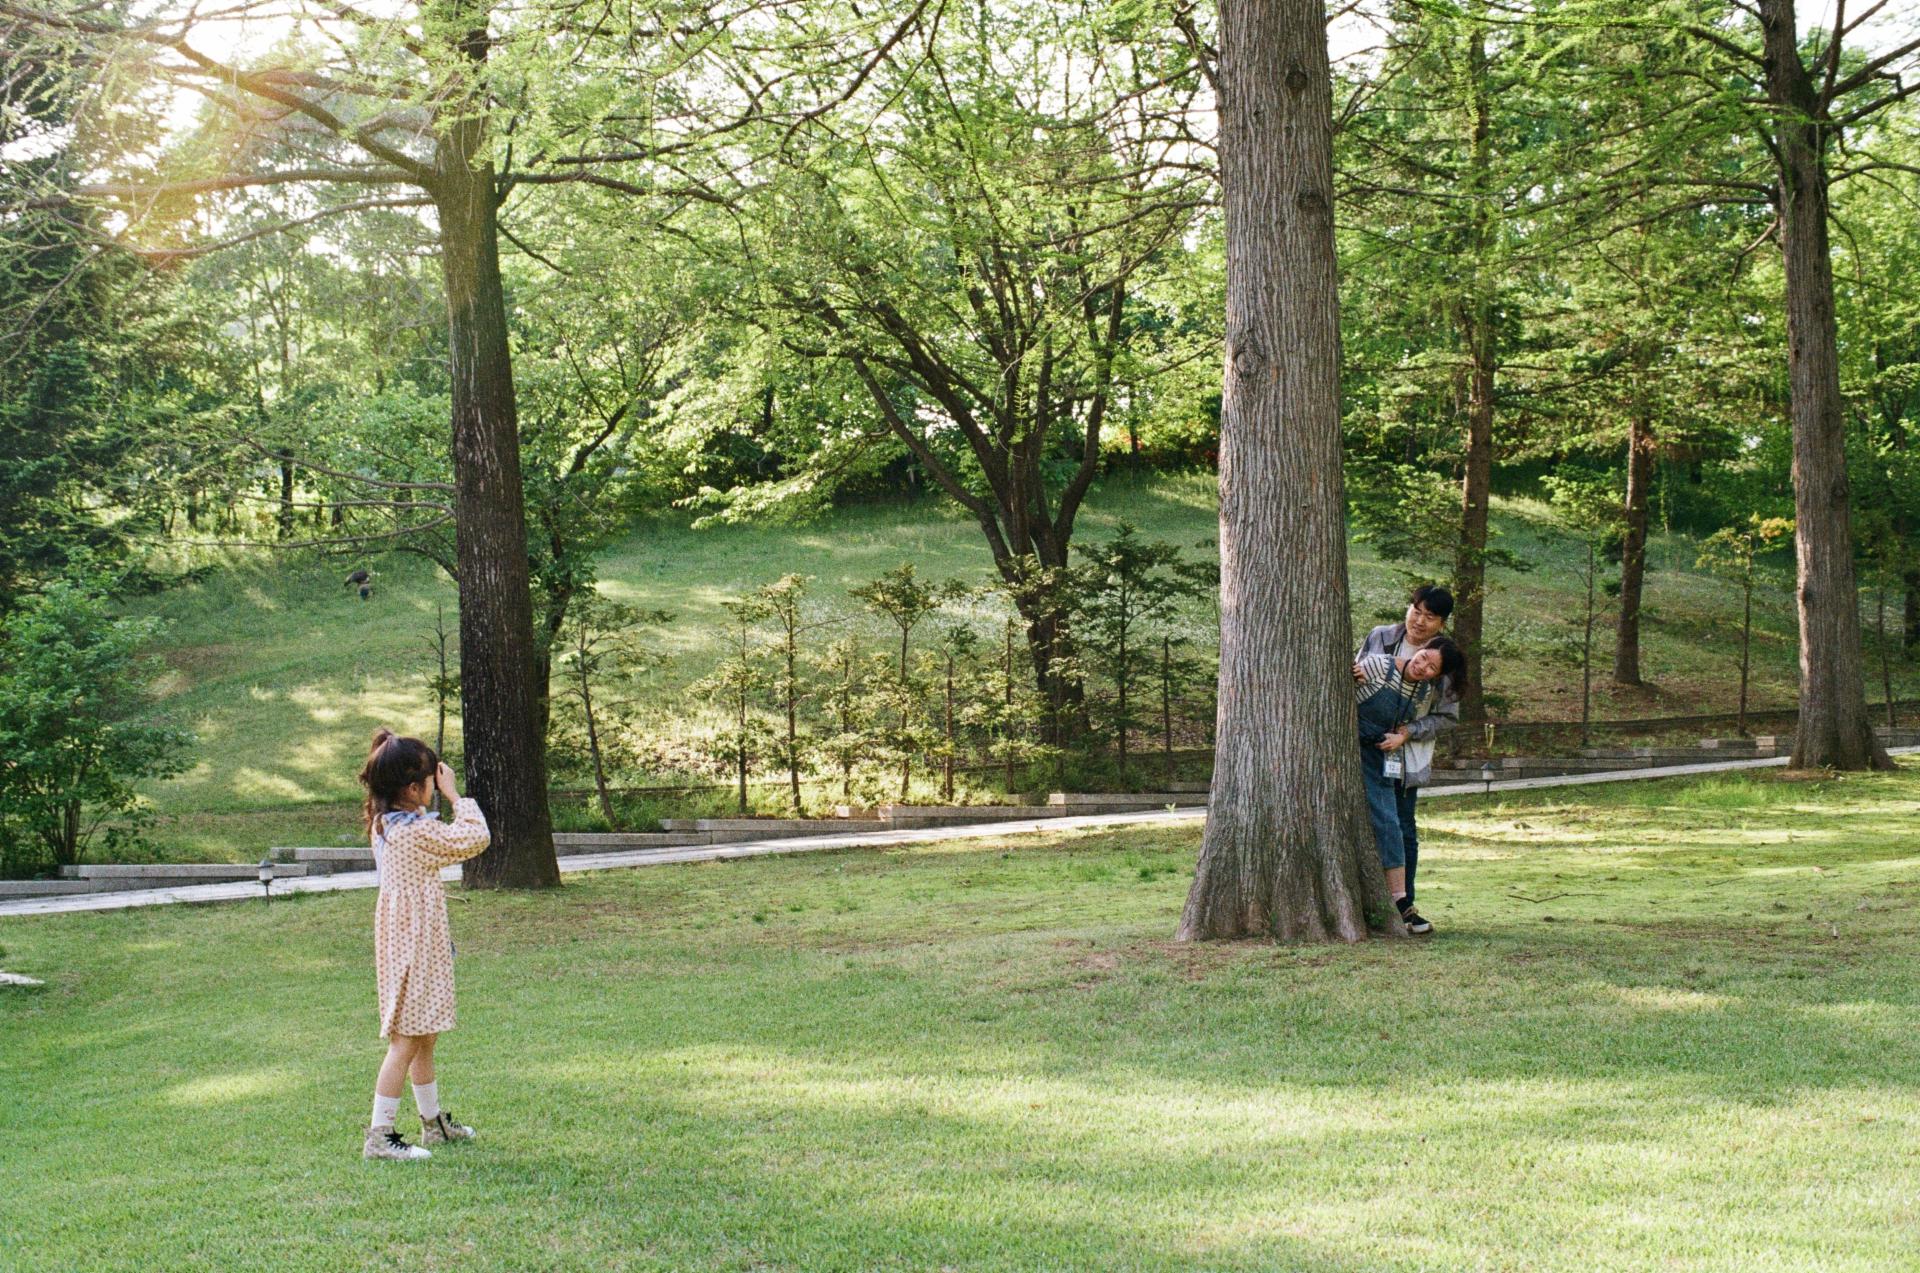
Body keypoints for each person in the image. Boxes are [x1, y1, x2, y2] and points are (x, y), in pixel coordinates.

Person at [355, 728, 492, 1161]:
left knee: (423, 1035)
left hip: (413, 939)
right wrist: (456, 797)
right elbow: (475, 839)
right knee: (406, 1040)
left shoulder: (387, 824)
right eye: (432, 780)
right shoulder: (414, 833)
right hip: (414, 944)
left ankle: (433, 1125)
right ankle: (380, 1135)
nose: (436, 785)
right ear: (413, 788)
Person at [1355, 584, 1460, 922]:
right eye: (1417, 611)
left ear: (1440, 625)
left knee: (1402, 825)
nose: (1419, 621)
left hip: (1405, 756)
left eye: (1430, 617)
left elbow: (1446, 717)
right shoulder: (1381, 637)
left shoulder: (1445, 661)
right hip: (1366, 745)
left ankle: (1405, 904)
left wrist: (1408, 733)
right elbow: (1359, 675)